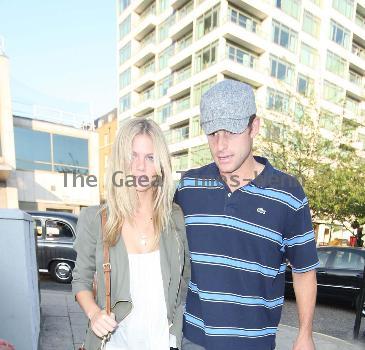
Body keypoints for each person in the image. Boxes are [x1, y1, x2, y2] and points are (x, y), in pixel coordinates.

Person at [174, 79, 319, 350]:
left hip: (254, 344)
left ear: (254, 127)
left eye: (231, 131)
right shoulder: (189, 187)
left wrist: (305, 334)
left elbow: (304, 271)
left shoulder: (289, 194)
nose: (220, 145)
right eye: (212, 132)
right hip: (194, 339)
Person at [72, 118, 190, 350]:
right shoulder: (96, 219)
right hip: (113, 344)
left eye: (149, 157)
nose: (140, 166)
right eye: (132, 155)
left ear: (161, 165)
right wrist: (94, 313)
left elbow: (182, 283)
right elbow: (80, 280)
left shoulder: (174, 219)